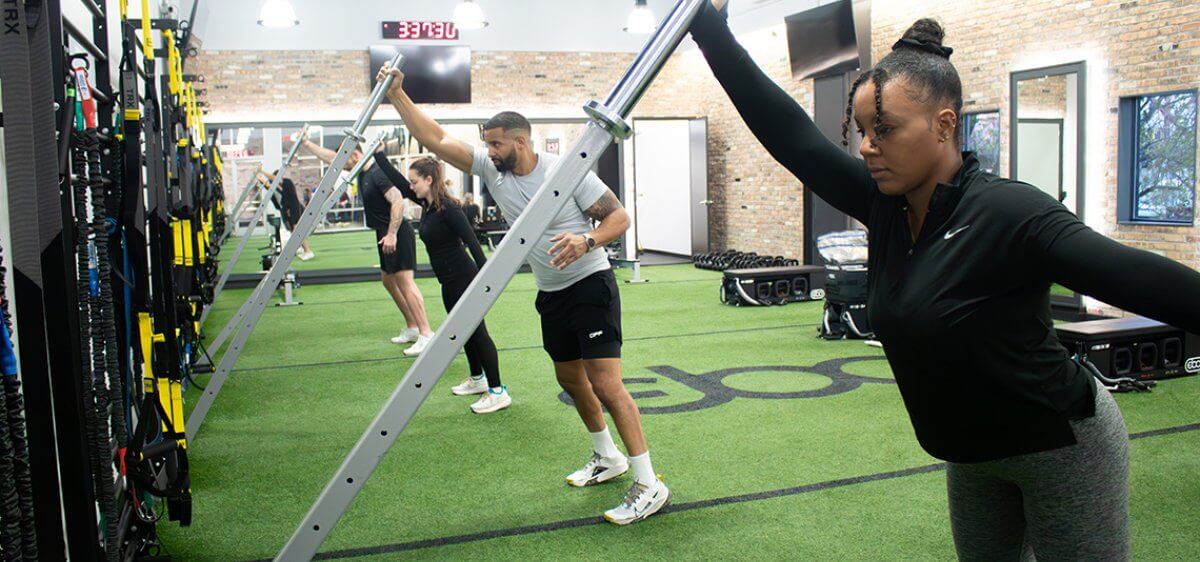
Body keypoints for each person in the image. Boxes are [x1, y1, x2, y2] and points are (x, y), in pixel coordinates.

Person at [690, 1, 1200, 558]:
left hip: (1061, 445)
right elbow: (790, 136)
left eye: (885, 129)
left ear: (944, 124)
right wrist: (708, 28)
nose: (867, 146)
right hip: (970, 455)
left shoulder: (1011, 213)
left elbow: (1135, 277)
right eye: (863, 131)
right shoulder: (884, 205)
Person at [377, 65, 671, 525]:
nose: (489, 152)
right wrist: (398, 95)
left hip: (590, 284)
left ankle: (649, 483)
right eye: (487, 144)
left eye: (496, 144)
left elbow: (619, 218)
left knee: (606, 385)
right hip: (551, 292)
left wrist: (587, 240)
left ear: (521, 141)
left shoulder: (567, 172)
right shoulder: (491, 172)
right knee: (570, 380)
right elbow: (435, 137)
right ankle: (607, 456)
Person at [371, 151, 511, 414]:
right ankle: (478, 378)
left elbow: (472, 242)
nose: (411, 186)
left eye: (415, 181)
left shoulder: (449, 208)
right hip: (448, 281)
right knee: (463, 330)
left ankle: (497, 391)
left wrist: (487, 279)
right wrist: (378, 157)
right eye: (411, 182)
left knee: (478, 333)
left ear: (429, 180)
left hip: (464, 278)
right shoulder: (428, 205)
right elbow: (399, 183)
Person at [299, 137, 435, 355]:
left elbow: (398, 201)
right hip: (383, 233)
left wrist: (392, 234)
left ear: (355, 155)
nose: (342, 166)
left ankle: (426, 333)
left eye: (345, 161)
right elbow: (333, 158)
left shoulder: (377, 172)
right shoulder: (361, 171)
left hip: (397, 232)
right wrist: (307, 144)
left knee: (405, 282)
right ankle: (412, 326)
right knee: (388, 281)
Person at [259, 170, 314, 261]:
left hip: (294, 209)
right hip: (287, 210)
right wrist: (259, 178)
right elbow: (268, 186)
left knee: (296, 230)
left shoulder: (287, 182)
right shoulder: (279, 188)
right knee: (292, 230)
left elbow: (275, 180)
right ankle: (301, 248)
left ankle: (308, 251)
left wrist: (262, 171)